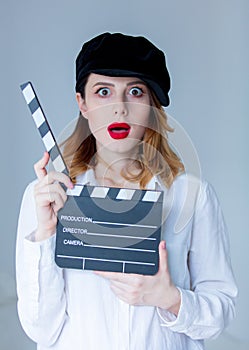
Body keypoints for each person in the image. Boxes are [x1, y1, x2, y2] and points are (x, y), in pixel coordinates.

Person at [16, 32, 238, 350]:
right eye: (103, 91)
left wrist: (171, 300)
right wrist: (46, 233)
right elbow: (41, 329)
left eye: (135, 91)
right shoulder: (47, 198)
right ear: (82, 103)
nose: (120, 108)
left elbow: (220, 311)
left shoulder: (192, 196)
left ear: (152, 104)